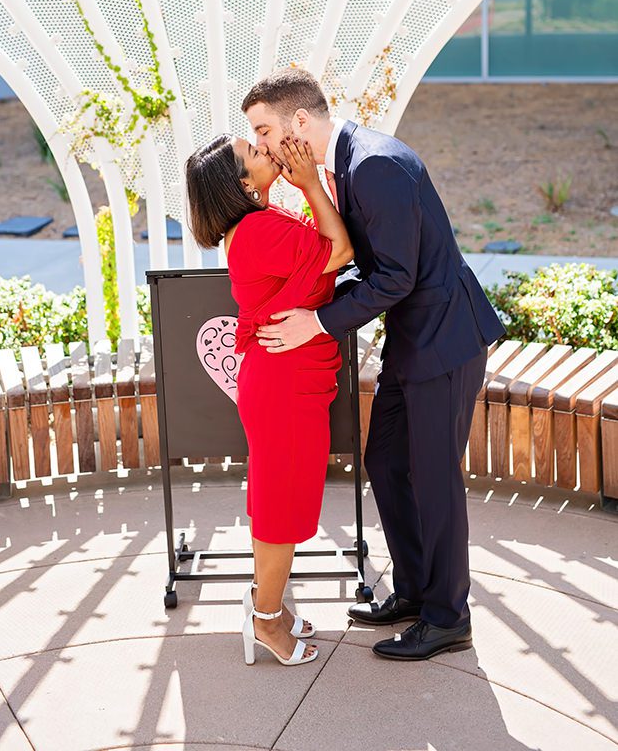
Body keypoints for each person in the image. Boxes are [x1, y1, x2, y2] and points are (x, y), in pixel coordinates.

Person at [242, 66, 506, 662]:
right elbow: (371, 262)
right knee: (386, 461)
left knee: (434, 478)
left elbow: (396, 277)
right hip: (413, 342)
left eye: (264, 130)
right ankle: (414, 591)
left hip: (444, 341)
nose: (260, 144)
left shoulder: (374, 164)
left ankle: (448, 617)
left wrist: (316, 321)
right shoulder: (343, 163)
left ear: (299, 122)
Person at [185, 132, 353, 666]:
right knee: (281, 509)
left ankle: (269, 605)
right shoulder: (259, 230)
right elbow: (340, 251)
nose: (267, 150)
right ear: (242, 183)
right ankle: (265, 620)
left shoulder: (256, 224)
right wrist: (311, 185)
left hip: (286, 379)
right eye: (254, 153)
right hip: (285, 384)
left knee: (278, 500)